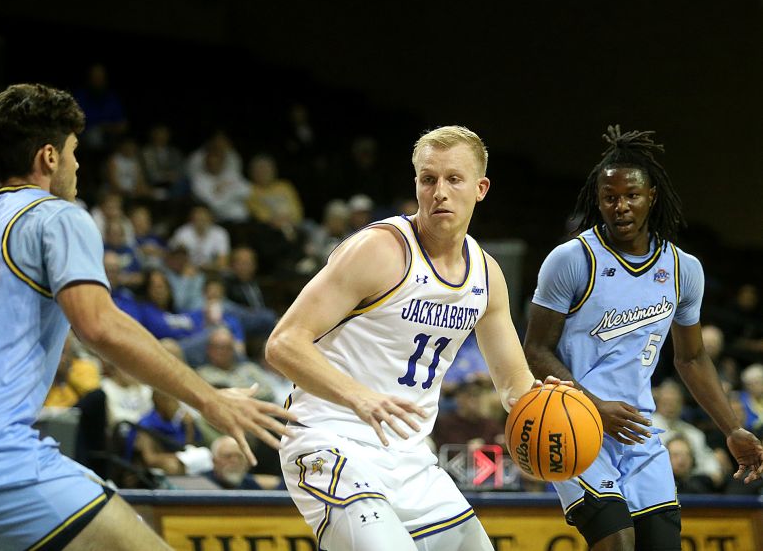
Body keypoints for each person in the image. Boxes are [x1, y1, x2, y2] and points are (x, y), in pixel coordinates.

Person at [0, 83, 292, 551]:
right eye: (73, 152)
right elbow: (100, 326)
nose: (78, 165)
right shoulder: (54, 216)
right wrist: (210, 400)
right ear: (49, 157)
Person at [266, 126, 545, 550]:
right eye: (428, 179)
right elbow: (283, 343)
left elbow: (514, 386)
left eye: (454, 179)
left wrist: (551, 406)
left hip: (410, 457)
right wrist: (359, 396)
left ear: (481, 188)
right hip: (330, 439)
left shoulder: (487, 275)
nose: (440, 192)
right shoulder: (378, 250)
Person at [522, 126, 763, 551]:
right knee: (616, 541)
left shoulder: (682, 268)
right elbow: (535, 350)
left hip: (639, 431)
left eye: (631, 195)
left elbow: (691, 358)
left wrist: (732, 428)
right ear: (598, 200)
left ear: (651, 196)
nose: (620, 206)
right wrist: (594, 407)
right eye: (610, 196)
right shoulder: (572, 260)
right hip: (575, 424)